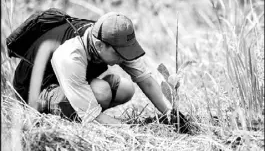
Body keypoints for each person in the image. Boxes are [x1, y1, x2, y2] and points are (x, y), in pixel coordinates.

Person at [13, 12, 173, 125]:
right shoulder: (71, 55)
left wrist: (171, 114)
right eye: (120, 53)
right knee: (102, 92)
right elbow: (92, 116)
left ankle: (75, 109)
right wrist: (128, 128)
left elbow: (146, 81)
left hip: (69, 81)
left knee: (126, 88)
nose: (124, 58)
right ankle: (66, 115)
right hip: (35, 92)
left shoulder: (109, 37)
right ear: (99, 45)